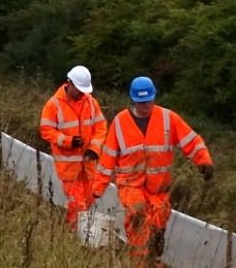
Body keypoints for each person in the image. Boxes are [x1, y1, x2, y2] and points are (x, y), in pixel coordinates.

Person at [98, 76, 215, 263]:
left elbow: (191, 141)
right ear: (133, 100)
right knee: (138, 216)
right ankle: (139, 262)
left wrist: (204, 161)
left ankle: (152, 259)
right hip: (130, 186)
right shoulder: (120, 123)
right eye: (141, 102)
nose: (146, 105)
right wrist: (98, 188)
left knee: (157, 230)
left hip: (159, 190)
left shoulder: (169, 119)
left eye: (149, 101)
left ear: (155, 97)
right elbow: (107, 158)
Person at [39, 66, 109, 227]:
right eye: (79, 89)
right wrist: (66, 141)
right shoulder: (54, 105)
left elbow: (100, 127)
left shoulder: (91, 102)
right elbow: (46, 130)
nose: (81, 93)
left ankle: (82, 235)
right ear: (69, 83)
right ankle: (75, 236)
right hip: (69, 166)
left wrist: (94, 148)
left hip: (88, 165)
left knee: (89, 201)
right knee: (77, 205)